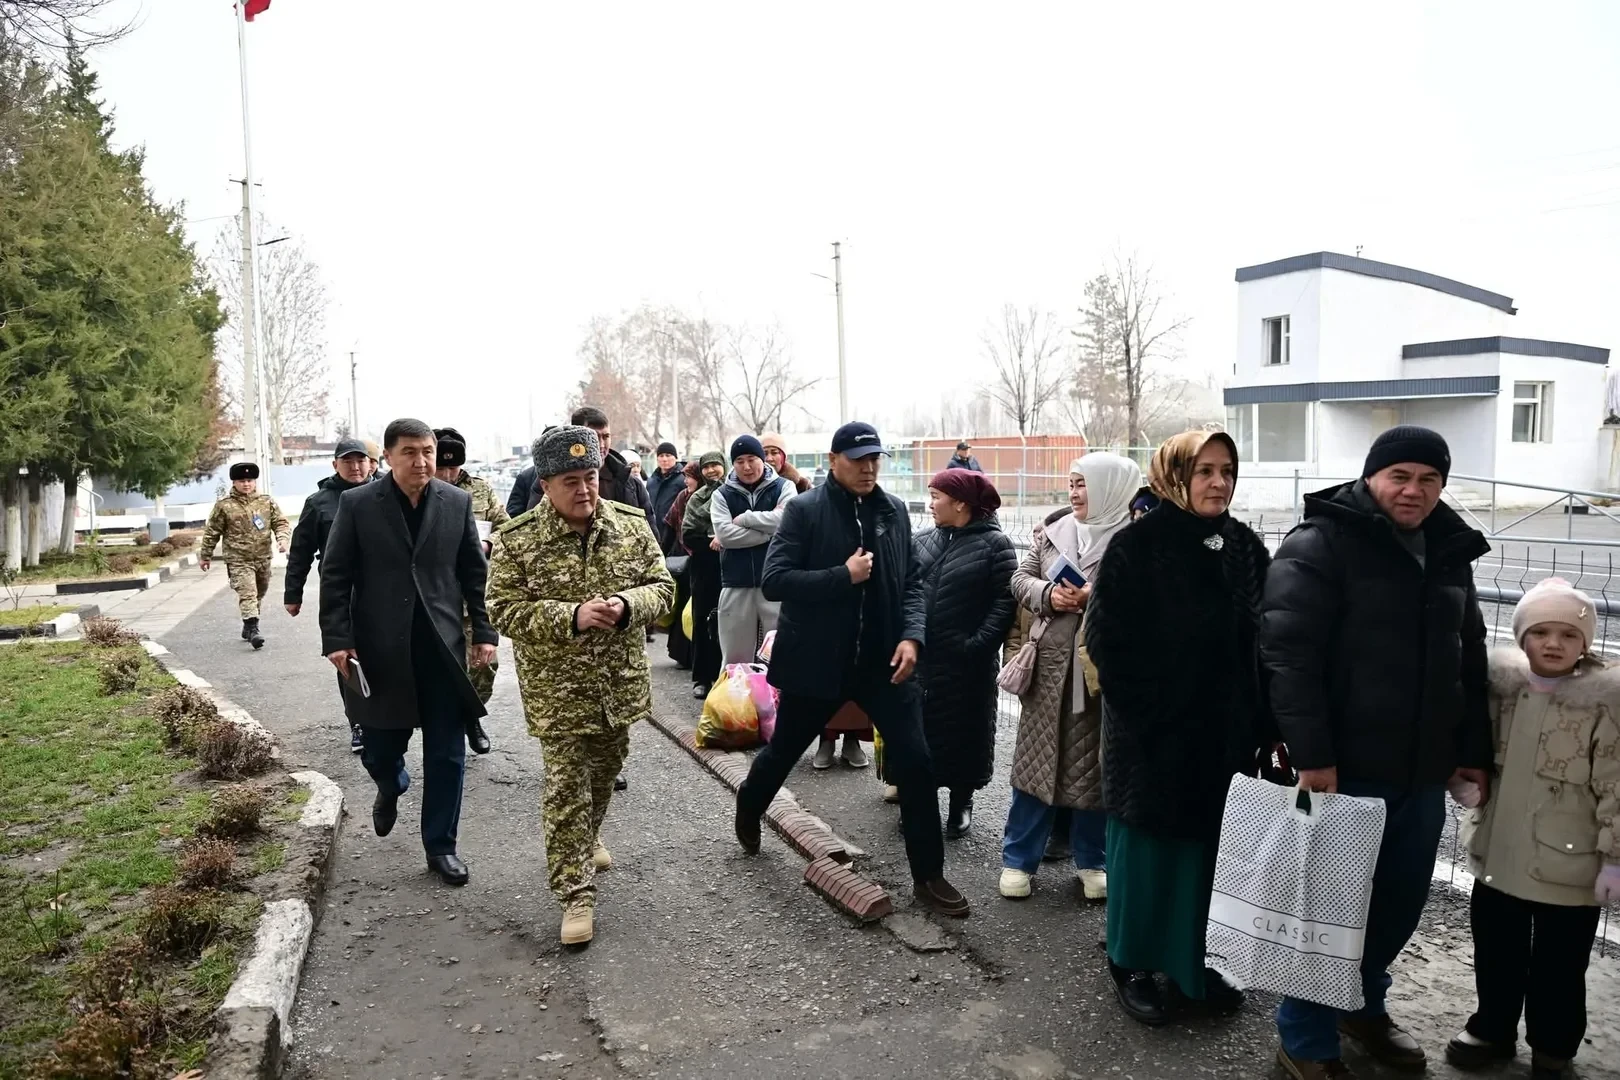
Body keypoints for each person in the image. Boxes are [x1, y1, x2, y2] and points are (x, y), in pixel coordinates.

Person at [1262, 425, 1492, 1079]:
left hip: (1420, 769)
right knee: (1327, 909)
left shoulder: (1447, 548)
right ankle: (1304, 1038)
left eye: (1429, 479)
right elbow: (1288, 656)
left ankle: (1360, 1005)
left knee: (1397, 903)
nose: (1413, 490)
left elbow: (1468, 656)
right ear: (1372, 477)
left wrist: (1471, 748)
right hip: (1344, 769)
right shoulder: (1320, 543)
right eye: (1400, 476)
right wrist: (1313, 755)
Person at [735, 422, 970, 918]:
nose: (868, 468)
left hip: (881, 662)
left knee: (916, 761)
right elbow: (775, 580)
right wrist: (842, 575)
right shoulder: (804, 510)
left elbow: (911, 582)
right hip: (817, 661)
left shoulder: (893, 511)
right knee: (784, 749)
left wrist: (912, 636)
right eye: (858, 459)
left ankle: (929, 876)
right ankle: (750, 804)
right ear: (833, 460)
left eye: (875, 459)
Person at [1084, 430, 1271, 1025]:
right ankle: (1132, 963)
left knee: (1207, 859)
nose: (1219, 482)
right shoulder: (1137, 546)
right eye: (1205, 470)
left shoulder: (1243, 546)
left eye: (1227, 470)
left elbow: (1266, 641)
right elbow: (1107, 644)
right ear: (1175, 476)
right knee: (1149, 857)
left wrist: (1264, 720)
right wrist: (1156, 719)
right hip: (1152, 743)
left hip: (1224, 741)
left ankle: (1193, 966)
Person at [486, 426, 673, 946]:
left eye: (589, 477)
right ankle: (575, 893)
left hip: (618, 685)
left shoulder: (630, 526)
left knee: (606, 769)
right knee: (567, 785)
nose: (584, 489)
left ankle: (587, 836)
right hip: (558, 692)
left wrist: (628, 605)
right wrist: (571, 616)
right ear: (545, 485)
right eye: (570, 481)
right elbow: (503, 610)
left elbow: (663, 588)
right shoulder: (518, 540)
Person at [1446, 578, 1619, 1080]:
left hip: (1570, 865)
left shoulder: (1605, 705)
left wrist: (1614, 858)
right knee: (1496, 951)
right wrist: (1462, 777)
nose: (1553, 644)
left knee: (1560, 966)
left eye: (1568, 635)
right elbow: (1473, 746)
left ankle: (1553, 1046)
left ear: (1585, 643)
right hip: (1500, 855)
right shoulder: (1503, 692)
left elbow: (1616, 787)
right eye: (1540, 632)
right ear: (1522, 637)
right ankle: (1492, 1028)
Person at [319, 418, 498, 887]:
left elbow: (474, 573)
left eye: (427, 452)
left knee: (447, 754)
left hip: (442, 648)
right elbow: (336, 575)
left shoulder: (456, 502)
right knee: (379, 749)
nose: (421, 461)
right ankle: (391, 782)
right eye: (410, 452)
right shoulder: (358, 504)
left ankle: (441, 846)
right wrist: (337, 639)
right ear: (388, 457)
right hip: (380, 649)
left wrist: (484, 631)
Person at [1001, 453, 1143, 902]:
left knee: (1092, 768)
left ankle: (1091, 861)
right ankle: (1017, 859)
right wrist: (1048, 594)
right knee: (1034, 763)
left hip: (1097, 672)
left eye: (1083, 484)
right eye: (1072, 483)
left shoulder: (1136, 541)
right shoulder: (1053, 530)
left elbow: (1146, 600)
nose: (1074, 493)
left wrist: (1091, 597)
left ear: (1109, 489)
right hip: (1047, 668)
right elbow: (1020, 578)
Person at [914, 468, 1016, 839]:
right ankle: (920, 802)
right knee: (920, 731)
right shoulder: (922, 540)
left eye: (936, 496)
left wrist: (977, 645)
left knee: (966, 732)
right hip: (923, 658)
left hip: (969, 663)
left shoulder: (996, 545)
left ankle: (961, 802)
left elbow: (1005, 602)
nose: (930, 504)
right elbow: (906, 590)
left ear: (960, 503)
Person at [284, 437, 373, 751]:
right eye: (348, 461)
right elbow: (301, 551)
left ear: (371, 463)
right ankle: (358, 722)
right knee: (348, 655)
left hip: (385, 591)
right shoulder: (319, 502)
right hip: (342, 593)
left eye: (360, 460)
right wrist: (292, 593)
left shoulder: (386, 494)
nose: (355, 466)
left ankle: (389, 718)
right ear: (335, 465)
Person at [434, 427, 509, 756]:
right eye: (441, 467)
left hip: (473, 597)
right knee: (443, 670)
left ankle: (471, 714)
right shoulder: (418, 491)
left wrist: (488, 543)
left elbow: (506, 527)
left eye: (454, 467)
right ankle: (452, 725)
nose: (447, 475)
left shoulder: (480, 489)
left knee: (484, 666)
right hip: (435, 598)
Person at [712, 434, 797, 666]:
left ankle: (778, 691)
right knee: (734, 658)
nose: (747, 467)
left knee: (781, 654)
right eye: (739, 461)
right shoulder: (721, 494)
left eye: (752, 459)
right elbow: (725, 535)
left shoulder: (785, 487)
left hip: (776, 581)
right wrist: (770, 532)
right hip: (736, 582)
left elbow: (786, 521)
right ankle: (735, 692)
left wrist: (746, 519)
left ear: (762, 459)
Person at [199, 461, 290, 650]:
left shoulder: (266, 502)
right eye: (242, 481)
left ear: (255, 482)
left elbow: (280, 523)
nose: (246, 484)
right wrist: (206, 555)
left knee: (259, 592)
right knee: (248, 592)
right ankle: (253, 629)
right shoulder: (224, 506)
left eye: (249, 480)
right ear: (234, 483)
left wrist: (282, 539)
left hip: (263, 557)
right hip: (238, 559)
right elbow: (212, 531)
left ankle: (248, 626)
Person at [681, 452, 728, 697]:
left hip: (732, 566)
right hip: (704, 568)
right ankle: (702, 678)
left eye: (715, 465)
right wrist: (710, 542)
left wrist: (726, 538)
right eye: (706, 467)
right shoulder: (696, 499)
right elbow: (687, 534)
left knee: (731, 622)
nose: (711, 471)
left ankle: (728, 676)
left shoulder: (733, 493)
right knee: (702, 621)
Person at [663, 460, 703, 669]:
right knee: (683, 608)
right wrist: (661, 555)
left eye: (690, 477)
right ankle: (682, 654)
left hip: (703, 560)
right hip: (683, 561)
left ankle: (698, 656)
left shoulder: (711, 497)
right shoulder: (683, 497)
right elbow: (670, 525)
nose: (686, 481)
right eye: (685, 476)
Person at [646, 441, 687, 554]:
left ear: (675, 458)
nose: (664, 459)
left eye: (668, 455)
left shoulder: (683, 479)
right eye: (661, 456)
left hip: (674, 533)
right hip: (654, 530)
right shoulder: (652, 481)